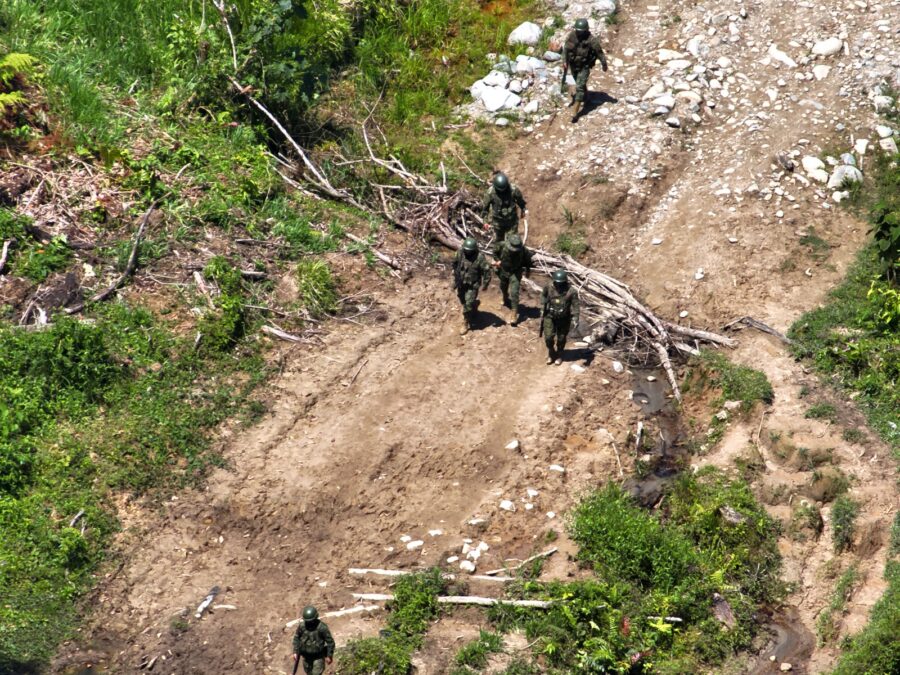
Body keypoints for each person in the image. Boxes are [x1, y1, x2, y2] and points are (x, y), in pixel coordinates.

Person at [562, 18, 608, 123]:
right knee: (579, 83)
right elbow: (565, 49)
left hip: (584, 66)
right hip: (573, 65)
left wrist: (604, 64)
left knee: (579, 87)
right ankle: (586, 98)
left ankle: (575, 112)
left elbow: (599, 53)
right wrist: (564, 61)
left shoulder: (592, 40)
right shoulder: (572, 36)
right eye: (578, 30)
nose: (579, 33)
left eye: (581, 31)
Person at [453, 237, 491, 335]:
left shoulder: (480, 258)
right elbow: (455, 263)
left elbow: (487, 271)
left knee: (467, 304)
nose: (467, 252)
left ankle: (465, 322)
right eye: (466, 250)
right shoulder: (460, 252)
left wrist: (485, 284)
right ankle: (473, 306)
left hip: (472, 285)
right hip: (461, 282)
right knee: (462, 299)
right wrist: (456, 276)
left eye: (469, 251)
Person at [482, 172, 526, 255]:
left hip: (511, 221)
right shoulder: (490, 193)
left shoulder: (513, 189)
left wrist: (523, 209)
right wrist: (485, 222)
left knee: (513, 241)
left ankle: (512, 259)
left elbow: (520, 201)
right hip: (498, 222)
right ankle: (498, 258)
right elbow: (485, 209)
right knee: (499, 242)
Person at [541, 270, 580, 365]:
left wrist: (575, 318)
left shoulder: (571, 291)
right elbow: (543, 296)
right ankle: (551, 352)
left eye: (560, 283)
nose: (558, 285)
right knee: (548, 337)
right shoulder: (548, 287)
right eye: (556, 282)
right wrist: (543, 307)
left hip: (564, 318)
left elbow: (576, 305)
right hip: (550, 316)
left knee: (561, 338)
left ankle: (559, 354)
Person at [493, 233, 533, 326]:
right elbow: (495, 252)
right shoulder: (501, 245)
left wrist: (528, 271)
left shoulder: (523, 250)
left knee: (514, 292)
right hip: (503, 270)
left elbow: (528, 261)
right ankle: (505, 297)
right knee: (503, 286)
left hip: (515, 272)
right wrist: (497, 260)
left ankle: (514, 313)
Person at [292, 606, 335, 675]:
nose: (309, 623)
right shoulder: (302, 626)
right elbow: (296, 638)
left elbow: (330, 642)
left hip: (318, 657)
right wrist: (295, 651)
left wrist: (329, 655)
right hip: (306, 657)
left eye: (311, 621)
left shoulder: (322, 628)